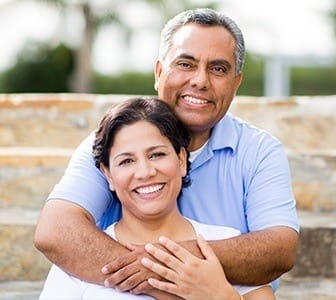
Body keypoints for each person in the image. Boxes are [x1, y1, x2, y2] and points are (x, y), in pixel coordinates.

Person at [34, 7, 299, 297]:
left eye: (218, 69)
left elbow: (279, 249)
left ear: (236, 83)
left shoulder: (259, 152)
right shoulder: (113, 140)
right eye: (185, 64)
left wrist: (167, 268)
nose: (200, 81)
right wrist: (166, 281)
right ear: (159, 73)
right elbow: (56, 230)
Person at [39, 97, 275, 299]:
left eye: (157, 154)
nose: (145, 172)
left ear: (181, 160)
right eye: (127, 161)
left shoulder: (225, 243)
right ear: (108, 175)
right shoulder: (78, 259)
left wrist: (221, 296)